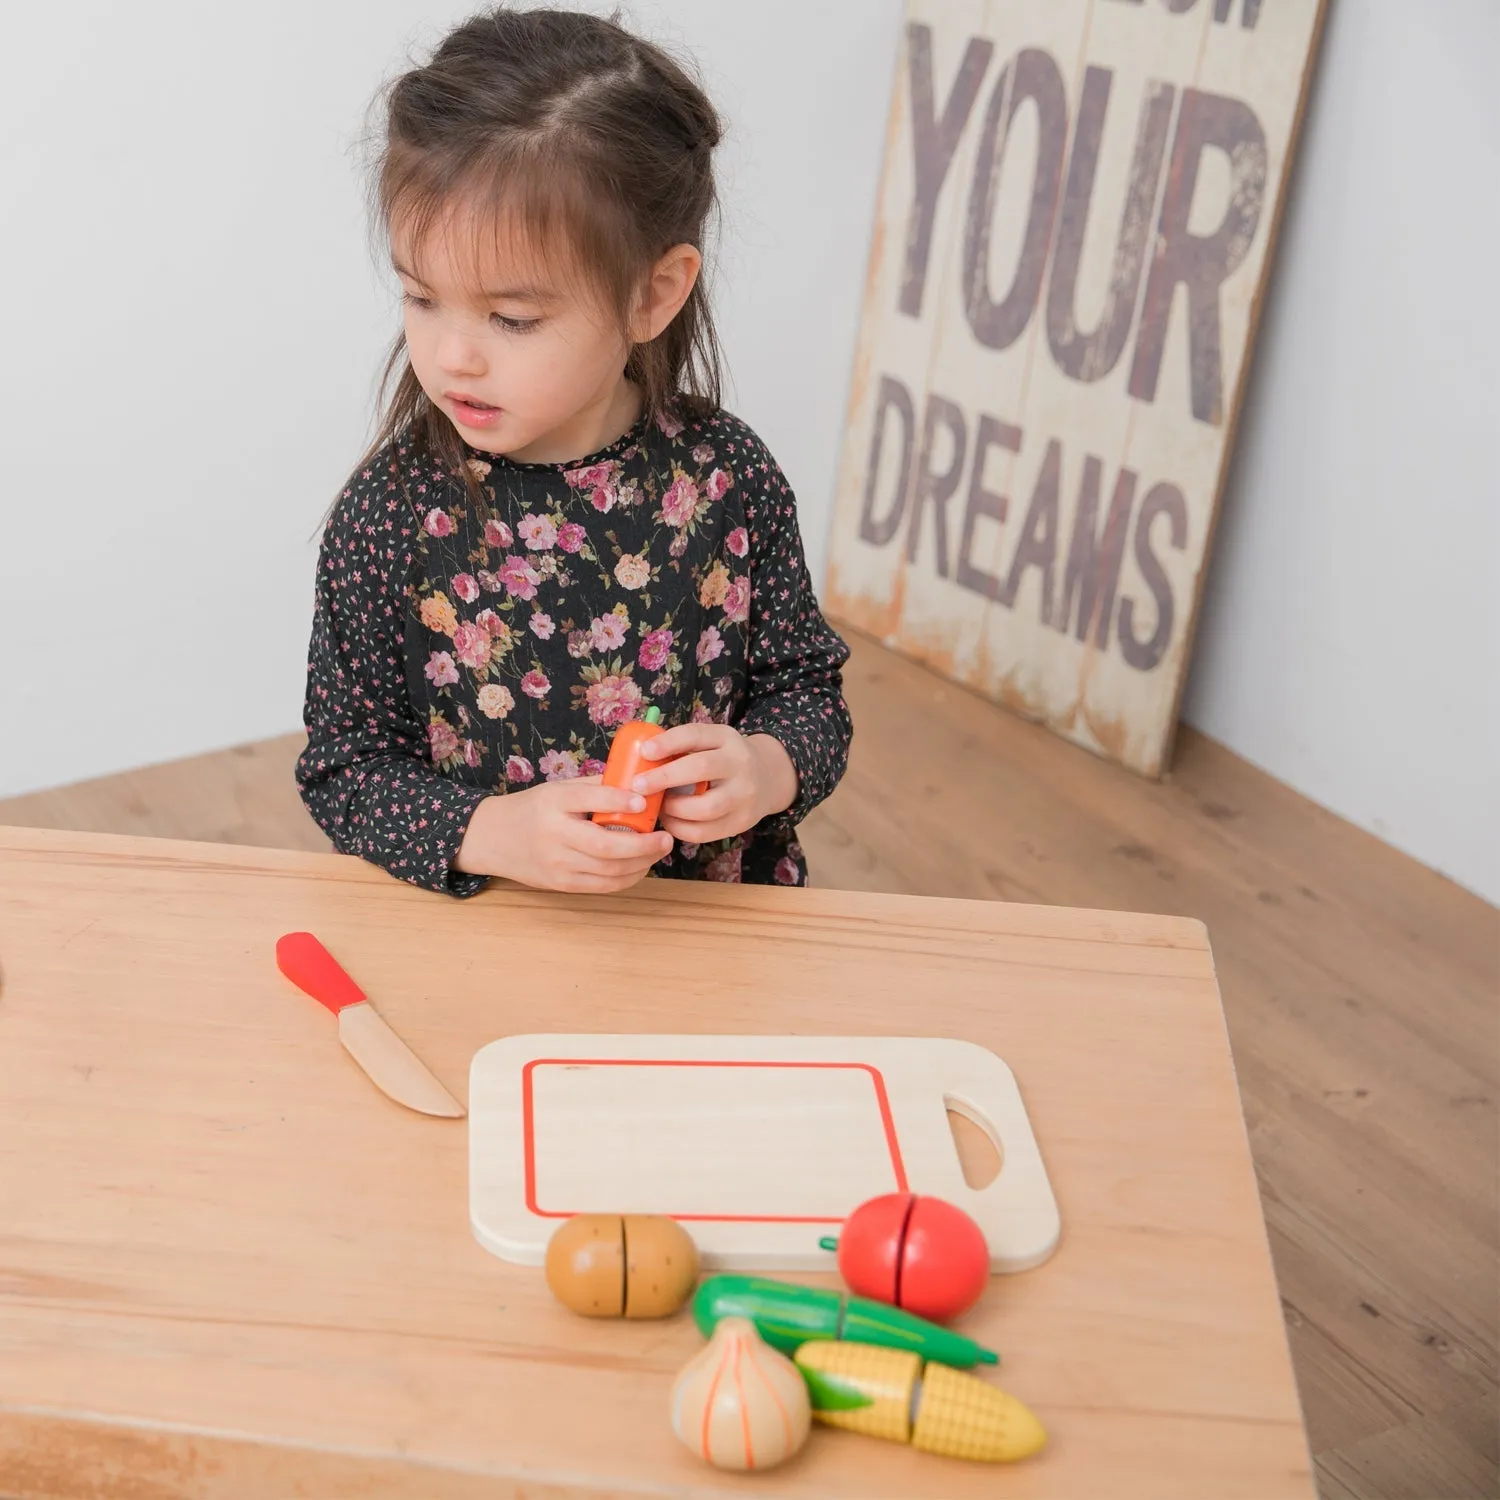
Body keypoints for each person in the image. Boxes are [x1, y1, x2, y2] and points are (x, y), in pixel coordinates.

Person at [294, 5, 852, 900]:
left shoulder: (729, 480)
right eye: (421, 298)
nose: (451, 356)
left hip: (706, 930)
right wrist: (485, 831)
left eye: (512, 318)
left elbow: (807, 690)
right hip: (486, 932)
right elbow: (344, 773)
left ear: (653, 294)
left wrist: (768, 768)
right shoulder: (391, 515)